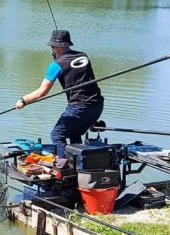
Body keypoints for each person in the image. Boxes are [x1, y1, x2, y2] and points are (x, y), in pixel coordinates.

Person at [15, 30, 104, 158]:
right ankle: (79, 163)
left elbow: (42, 92)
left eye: (52, 47)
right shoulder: (83, 56)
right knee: (74, 132)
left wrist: (23, 101)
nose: (52, 50)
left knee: (57, 135)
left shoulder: (56, 65)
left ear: (56, 47)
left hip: (79, 107)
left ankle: (64, 166)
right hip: (97, 106)